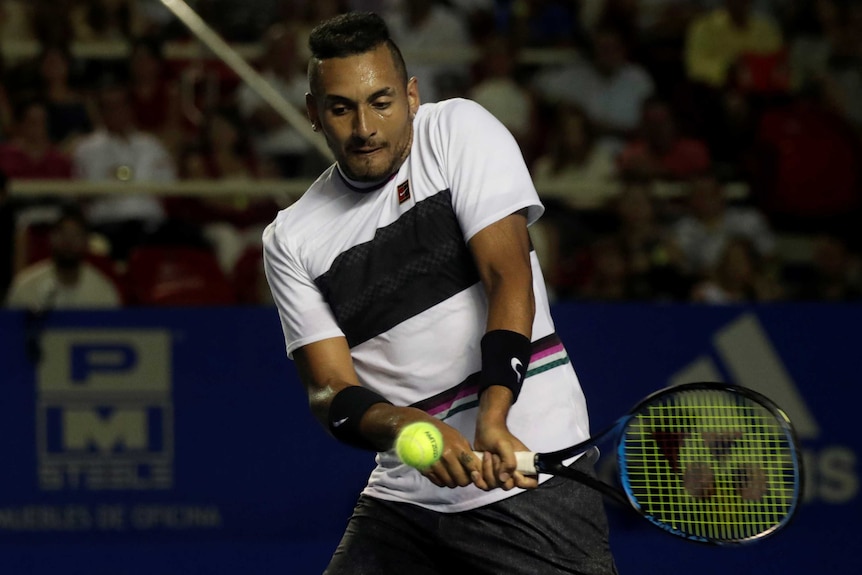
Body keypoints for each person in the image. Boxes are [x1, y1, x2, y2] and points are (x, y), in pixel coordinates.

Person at [262, 12, 618, 574]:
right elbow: (329, 394)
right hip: (406, 499)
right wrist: (408, 428)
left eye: (381, 101)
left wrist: (495, 415)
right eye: (340, 108)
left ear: (411, 94)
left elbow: (507, 278)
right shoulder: (291, 237)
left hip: (530, 477)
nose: (364, 128)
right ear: (312, 113)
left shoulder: (458, 131)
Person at [5, 204, 122, 310]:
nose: (68, 242)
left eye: (75, 236)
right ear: (51, 238)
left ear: (86, 242)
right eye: (63, 234)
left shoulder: (103, 291)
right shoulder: (25, 288)